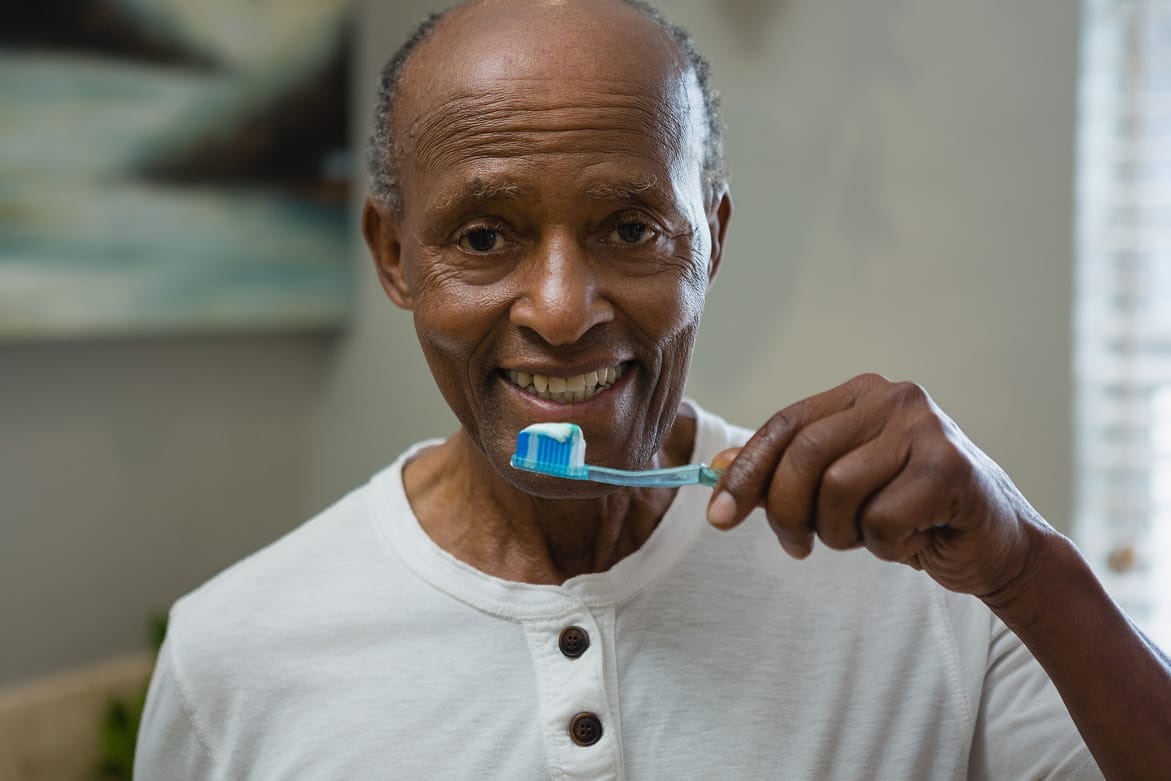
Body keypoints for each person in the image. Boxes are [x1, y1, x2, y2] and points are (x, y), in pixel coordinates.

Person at [135, 1, 1171, 778]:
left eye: (630, 228)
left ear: (709, 242)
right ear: (395, 256)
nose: (559, 306)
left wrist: (1028, 569)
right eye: (484, 237)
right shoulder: (234, 658)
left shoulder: (928, 586)